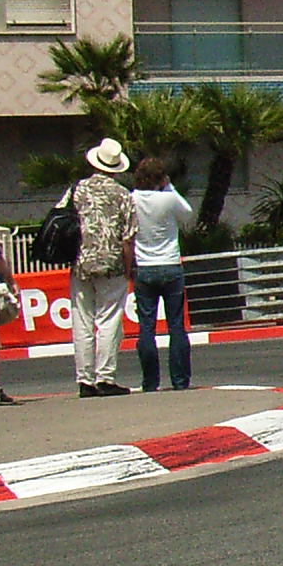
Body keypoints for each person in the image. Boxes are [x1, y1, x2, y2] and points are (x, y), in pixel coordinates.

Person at [70, 138, 137, 398]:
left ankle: (84, 380)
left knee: (82, 320)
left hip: (80, 261)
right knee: (109, 320)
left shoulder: (77, 190)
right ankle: (105, 377)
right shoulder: (123, 195)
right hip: (112, 263)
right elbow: (128, 238)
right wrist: (129, 268)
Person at [130, 157, 195, 393]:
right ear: (161, 178)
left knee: (146, 327)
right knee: (176, 325)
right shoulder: (168, 198)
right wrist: (170, 187)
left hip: (145, 267)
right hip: (170, 265)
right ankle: (180, 380)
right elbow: (187, 214)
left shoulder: (132, 199)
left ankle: (150, 381)